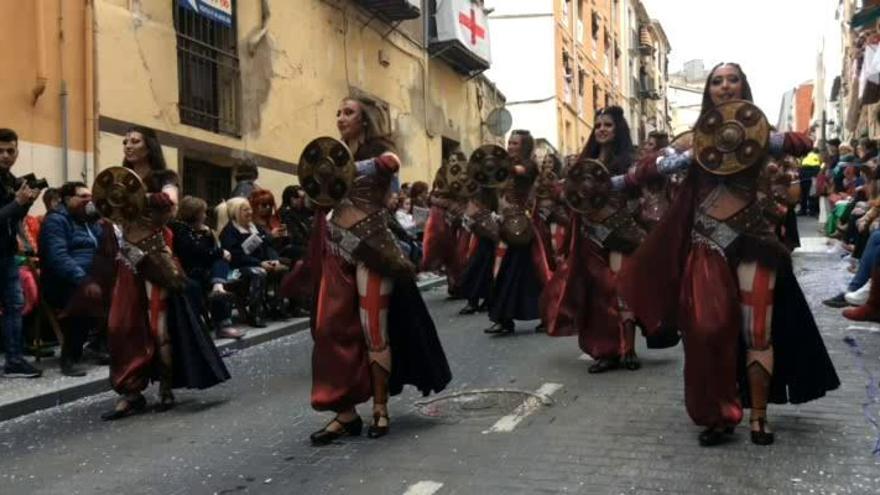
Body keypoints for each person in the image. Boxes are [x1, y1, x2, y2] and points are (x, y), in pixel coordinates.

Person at [616, 63, 839, 446]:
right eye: (717, 81)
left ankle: (758, 417)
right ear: (709, 90)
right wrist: (668, 163)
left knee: (757, 331)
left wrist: (769, 141)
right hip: (708, 245)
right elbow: (643, 170)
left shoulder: (760, 129)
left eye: (732, 79)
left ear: (743, 86)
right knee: (705, 330)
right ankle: (717, 413)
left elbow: (803, 143)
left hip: (754, 241)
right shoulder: (692, 138)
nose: (724, 86)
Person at [293, 96, 451, 445]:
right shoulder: (328, 156)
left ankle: (380, 408)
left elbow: (391, 165)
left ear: (364, 120)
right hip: (336, 249)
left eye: (348, 112)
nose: (341, 117)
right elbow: (315, 198)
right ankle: (345, 413)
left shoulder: (377, 149)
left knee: (373, 329)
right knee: (329, 328)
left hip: (373, 250)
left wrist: (351, 169)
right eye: (339, 111)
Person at [102, 127, 230, 420]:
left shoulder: (165, 178)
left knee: (159, 325)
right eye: (125, 141)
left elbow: (169, 205)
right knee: (121, 325)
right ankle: (130, 391)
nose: (128, 145)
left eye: (135, 141)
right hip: (127, 258)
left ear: (149, 147)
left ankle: (166, 386)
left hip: (156, 255)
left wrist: (134, 200)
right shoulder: (118, 178)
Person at [541, 107, 650, 372]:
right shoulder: (584, 161)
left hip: (620, 233)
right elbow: (570, 195)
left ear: (618, 130)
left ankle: (628, 349)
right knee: (598, 294)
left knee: (620, 288)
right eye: (598, 124)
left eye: (608, 125)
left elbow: (638, 197)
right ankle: (606, 350)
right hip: (590, 234)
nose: (601, 129)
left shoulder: (629, 163)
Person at [484, 129, 551, 334]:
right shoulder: (506, 166)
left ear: (525, 147)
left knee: (523, 274)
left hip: (524, 228)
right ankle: (507, 319)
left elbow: (519, 171)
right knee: (514, 273)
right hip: (507, 226)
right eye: (510, 143)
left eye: (515, 144)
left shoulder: (529, 166)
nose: (511, 146)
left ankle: (545, 315)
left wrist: (495, 163)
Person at [38, 182, 104, 377]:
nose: (89, 200)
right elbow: (58, 258)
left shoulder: (89, 221)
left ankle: (101, 345)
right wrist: (83, 279)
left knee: (122, 290)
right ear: (68, 200)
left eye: (90, 196)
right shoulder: (56, 221)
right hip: (61, 282)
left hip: (90, 277)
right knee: (83, 297)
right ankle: (69, 358)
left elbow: (103, 247)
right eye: (83, 197)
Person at [169, 196, 244, 340]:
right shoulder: (181, 230)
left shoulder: (199, 231)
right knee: (219, 261)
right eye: (202, 213)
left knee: (219, 266)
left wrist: (207, 236)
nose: (205, 216)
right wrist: (220, 251)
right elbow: (195, 252)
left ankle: (218, 287)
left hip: (203, 269)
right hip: (188, 271)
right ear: (195, 214)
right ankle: (222, 323)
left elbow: (208, 251)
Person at [0, 128, 43, 378]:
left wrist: (25, 203)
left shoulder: (10, 179)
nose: (6, 156)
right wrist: (17, 203)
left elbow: (13, 218)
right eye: (1, 151)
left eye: (10, 151)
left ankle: (14, 361)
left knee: (15, 303)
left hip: (5, 252)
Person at [219, 197, 284, 328]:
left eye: (249, 209)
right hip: (234, 270)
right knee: (258, 273)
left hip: (256, 263)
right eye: (245, 210)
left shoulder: (255, 228)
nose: (249, 212)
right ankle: (255, 314)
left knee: (281, 268)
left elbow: (267, 246)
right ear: (235, 212)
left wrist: (273, 260)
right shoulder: (229, 231)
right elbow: (236, 257)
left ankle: (276, 307)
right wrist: (260, 263)